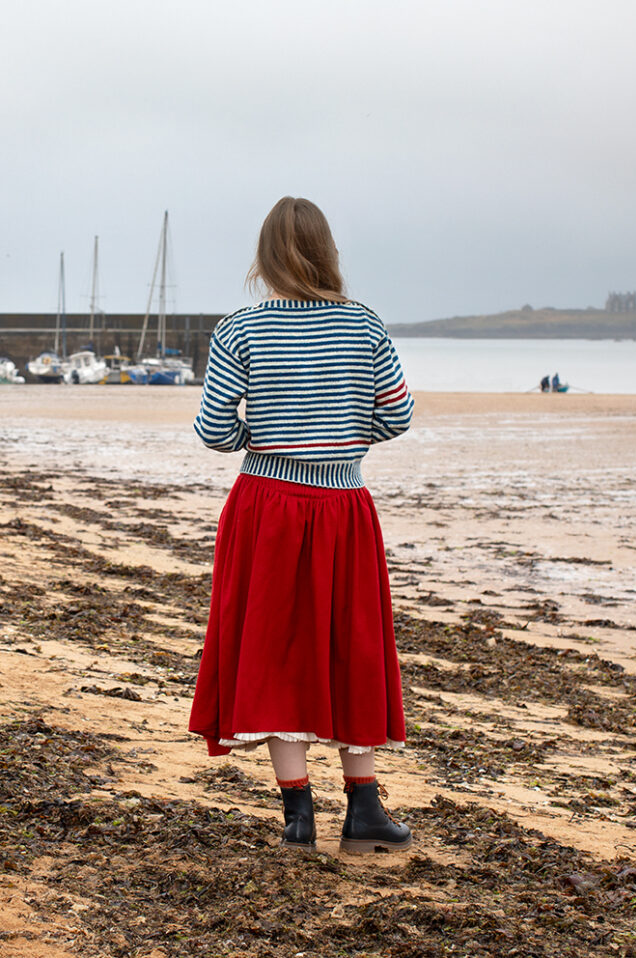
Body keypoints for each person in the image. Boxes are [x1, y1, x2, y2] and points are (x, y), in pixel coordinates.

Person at [188, 196, 414, 854]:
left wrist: (259, 436)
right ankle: (364, 808)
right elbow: (396, 417)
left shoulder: (239, 329)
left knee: (276, 652)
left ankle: (298, 817)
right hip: (342, 507)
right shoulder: (364, 325)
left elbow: (211, 430)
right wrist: (345, 439)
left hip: (266, 506)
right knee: (352, 646)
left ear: (263, 258)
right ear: (326, 252)